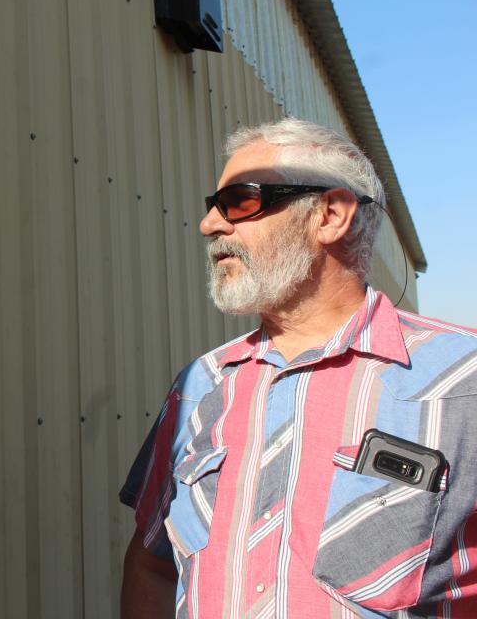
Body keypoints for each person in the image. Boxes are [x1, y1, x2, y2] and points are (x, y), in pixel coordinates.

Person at [119, 118, 477, 618]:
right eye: (211, 207)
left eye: (240, 201)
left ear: (330, 215)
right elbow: (152, 565)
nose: (210, 225)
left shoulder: (464, 380)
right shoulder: (198, 387)